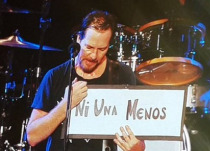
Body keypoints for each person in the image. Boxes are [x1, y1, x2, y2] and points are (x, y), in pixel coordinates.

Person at [26, 10, 145, 151]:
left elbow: (139, 142)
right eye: (89, 47)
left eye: (102, 49)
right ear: (78, 39)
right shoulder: (55, 76)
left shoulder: (123, 74)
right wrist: (66, 104)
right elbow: (32, 137)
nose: (94, 56)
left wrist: (135, 148)